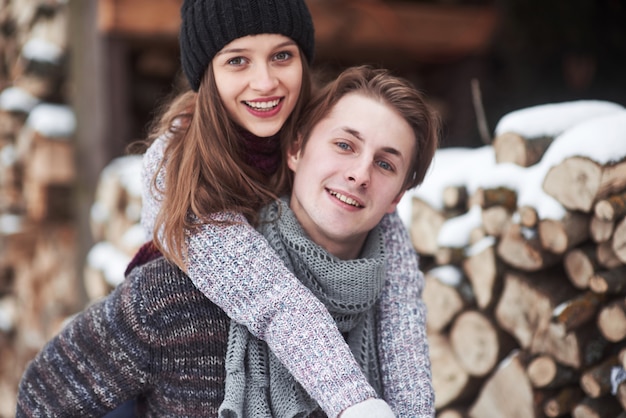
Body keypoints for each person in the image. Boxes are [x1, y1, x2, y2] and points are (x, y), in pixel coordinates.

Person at [16, 65, 439, 417]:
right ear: (295, 149)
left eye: (385, 163)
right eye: (344, 145)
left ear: (397, 197)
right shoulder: (176, 293)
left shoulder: (393, 332)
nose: (360, 173)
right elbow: (43, 397)